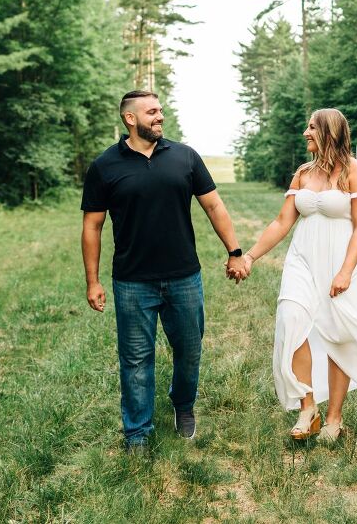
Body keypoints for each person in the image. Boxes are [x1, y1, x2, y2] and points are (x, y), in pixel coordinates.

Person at [81, 90, 248, 454]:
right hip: (131, 281)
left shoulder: (185, 157)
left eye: (160, 110)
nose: (160, 116)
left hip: (183, 277)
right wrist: (92, 281)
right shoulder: (105, 166)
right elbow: (92, 226)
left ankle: (183, 404)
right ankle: (137, 432)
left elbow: (214, 206)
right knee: (136, 358)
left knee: (189, 350)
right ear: (130, 118)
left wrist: (234, 252)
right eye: (152, 112)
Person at [241, 108, 357, 442]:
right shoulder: (303, 173)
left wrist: (346, 271)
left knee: (340, 334)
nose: (305, 133)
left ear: (329, 132)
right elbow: (281, 222)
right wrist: (250, 256)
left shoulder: (356, 172)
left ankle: (334, 418)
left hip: (341, 261)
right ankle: (308, 407)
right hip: (303, 258)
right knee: (292, 319)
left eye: (311, 127)